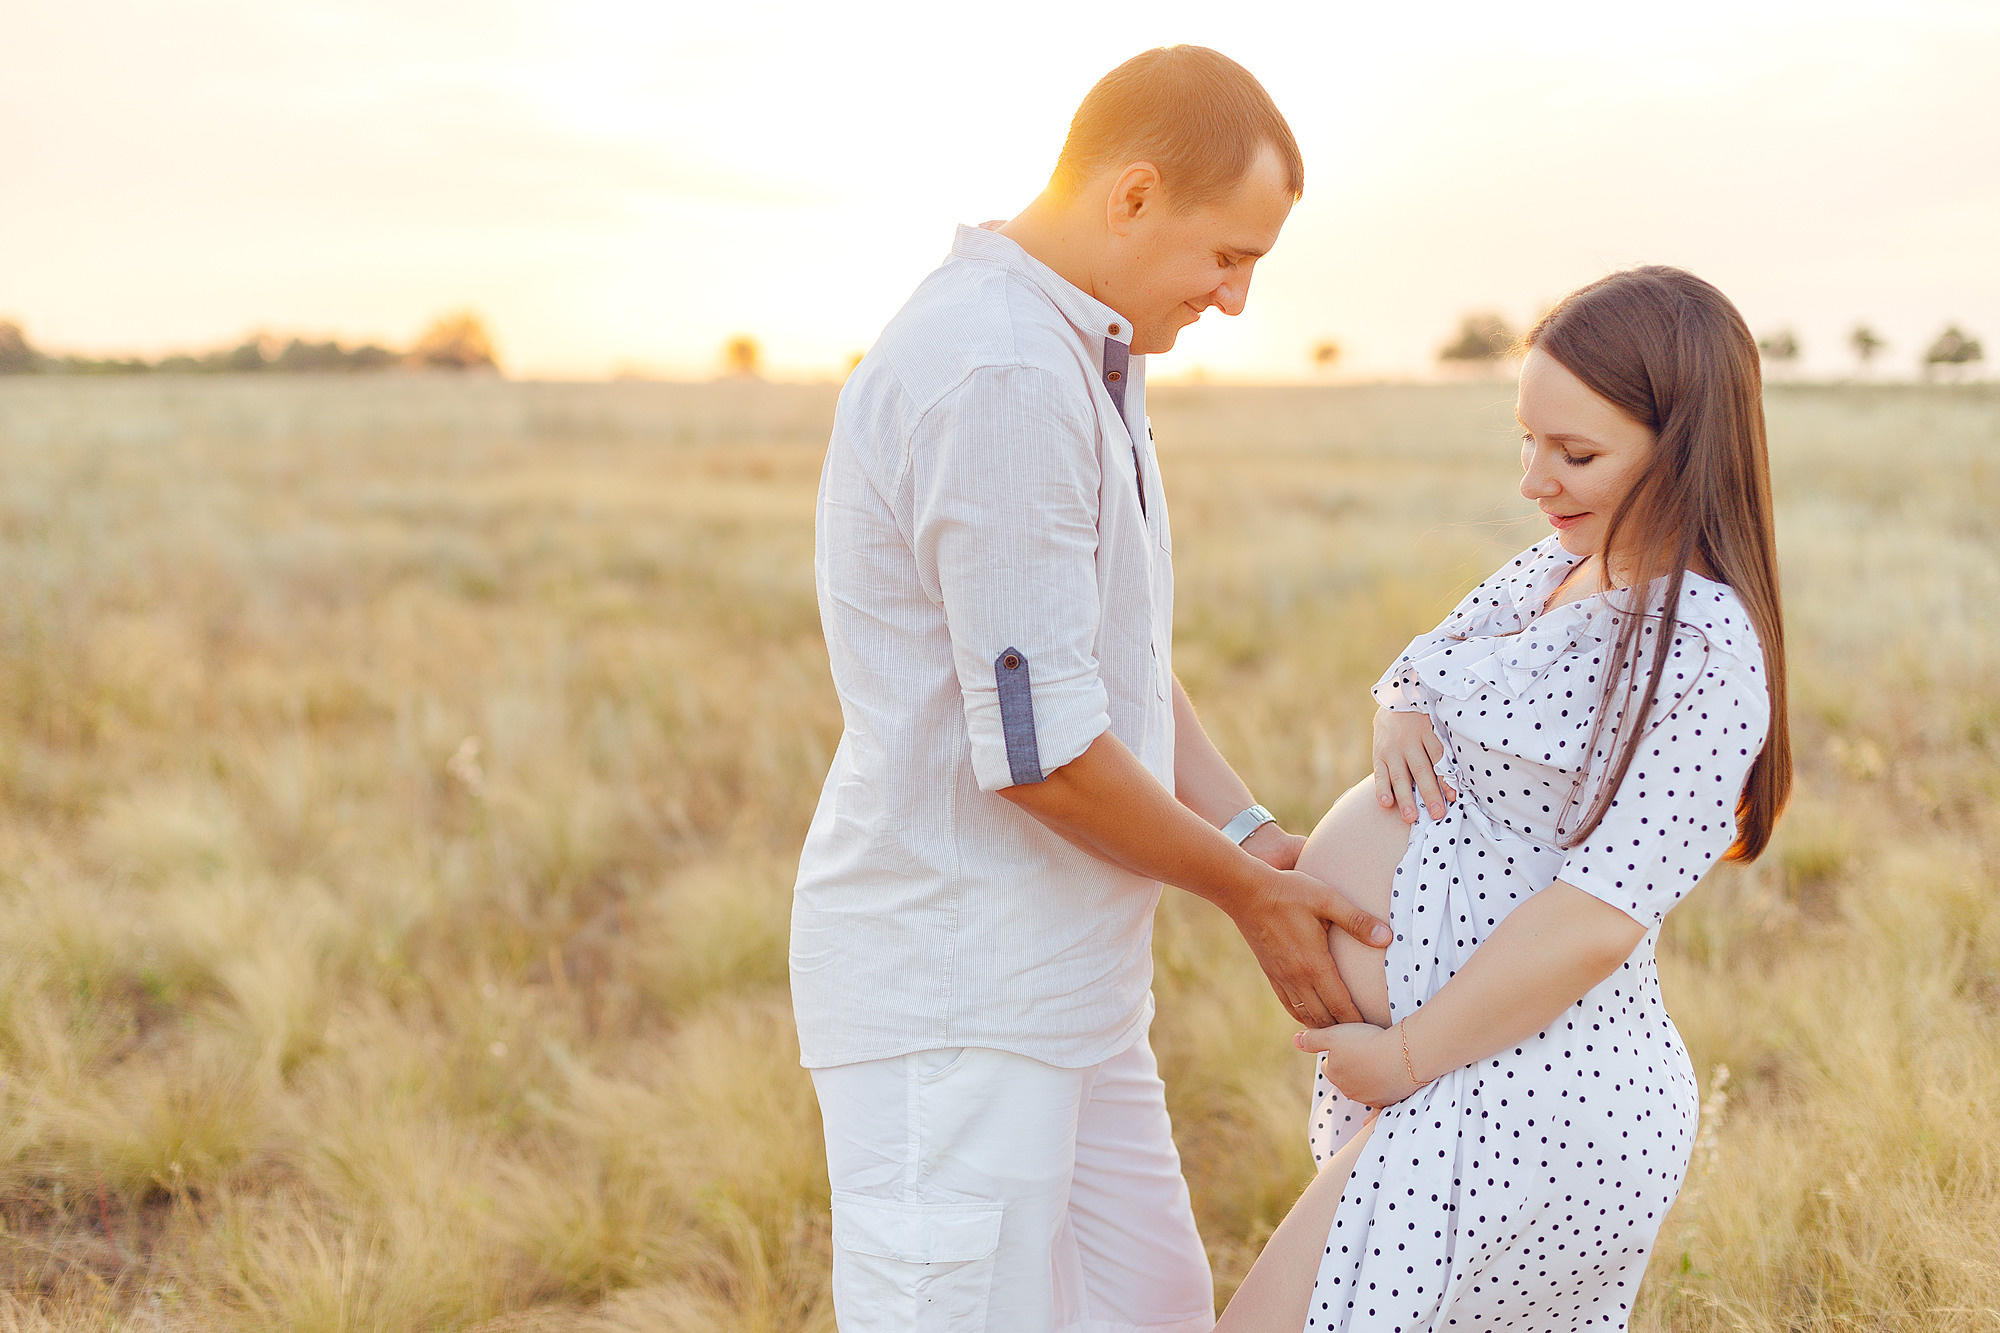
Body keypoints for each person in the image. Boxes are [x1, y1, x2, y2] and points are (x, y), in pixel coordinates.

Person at [792, 46, 1391, 1333]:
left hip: (1070, 990)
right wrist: (1249, 898)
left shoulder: (1078, 350)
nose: (1234, 297)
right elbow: (1046, 756)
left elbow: (1103, 663)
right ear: (1130, 196)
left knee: (1158, 1304)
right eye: (1226, 255)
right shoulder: (1000, 370)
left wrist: (1252, 835)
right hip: (957, 997)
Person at [1216, 266, 1793, 1331]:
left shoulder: (1704, 649)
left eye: (1574, 453)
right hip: (1460, 1075)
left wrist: (1401, 1056)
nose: (1534, 480)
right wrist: (1396, 709)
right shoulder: (1552, 568)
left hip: (1529, 1093)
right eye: (1525, 441)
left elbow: (1598, 918)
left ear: (1683, 448)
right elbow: (1422, 664)